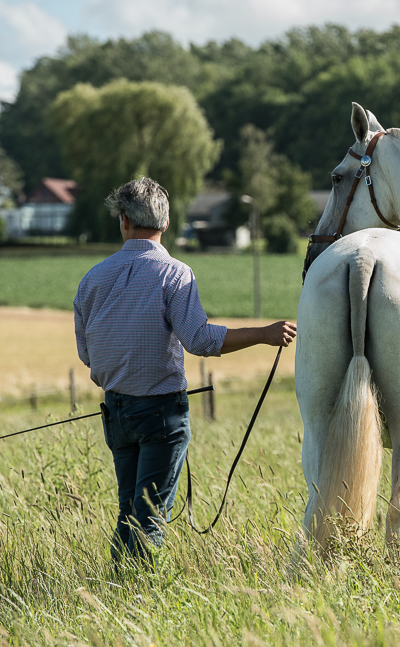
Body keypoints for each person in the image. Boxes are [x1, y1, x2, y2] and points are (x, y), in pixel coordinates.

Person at [73, 177, 296, 564]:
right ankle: (139, 590)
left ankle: (117, 584)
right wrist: (264, 334)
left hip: (116, 412)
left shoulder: (93, 278)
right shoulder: (174, 273)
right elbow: (199, 339)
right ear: (167, 222)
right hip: (161, 413)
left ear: (124, 220)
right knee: (150, 518)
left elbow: (87, 353)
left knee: (129, 512)